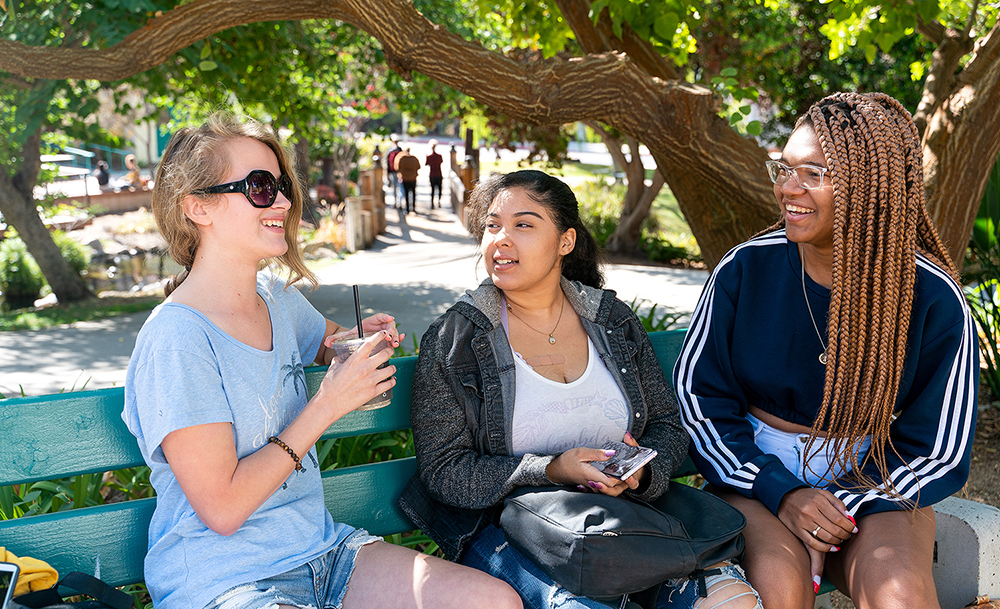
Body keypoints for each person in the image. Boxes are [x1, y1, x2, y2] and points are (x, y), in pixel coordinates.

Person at [122, 114, 522, 609]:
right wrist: (330, 403)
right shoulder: (177, 339)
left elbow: (331, 343)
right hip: (225, 579)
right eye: (261, 186)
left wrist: (361, 342)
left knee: (492, 602)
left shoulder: (273, 297)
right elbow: (222, 509)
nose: (286, 202)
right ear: (198, 206)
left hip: (322, 553)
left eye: (282, 186)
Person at [399, 170, 761, 609]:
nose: (501, 239)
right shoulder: (458, 339)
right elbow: (444, 470)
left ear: (566, 242)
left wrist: (641, 473)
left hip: (625, 525)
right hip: (513, 531)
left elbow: (666, 425)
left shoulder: (610, 320)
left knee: (730, 601)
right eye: (493, 225)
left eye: (524, 225)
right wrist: (550, 470)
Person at [673, 92, 978, 609]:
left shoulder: (929, 295)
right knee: (780, 592)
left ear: (868, 188)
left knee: (900, 598)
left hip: (874, 477)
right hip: (755, 473)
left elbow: (937, 445)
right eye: (784, 168)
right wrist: (783, 491)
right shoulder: (747, 269)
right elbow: (698, 399)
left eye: (813, 174)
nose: (787, 189)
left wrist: (839, 507)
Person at [395, 148, 420, 214]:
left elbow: (397, 168)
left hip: (405, 178)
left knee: (406, 194)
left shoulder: (402, 159)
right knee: (413, 193)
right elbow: (418, 166)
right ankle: (413, 207)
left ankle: (407, 208)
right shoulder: (414, 159)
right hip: (413, 178)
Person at [425, 140, 444, 209]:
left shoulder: (429, 157)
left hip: (432, 175)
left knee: (433, 189)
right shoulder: (439, 156)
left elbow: (426, 164)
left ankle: (432, 203)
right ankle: (438, 201)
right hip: (438, 174)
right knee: (439, 189)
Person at [385, 137, 403, 209]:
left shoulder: (392, 150)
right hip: (395, 171)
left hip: (396, 171)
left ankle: (398, 202)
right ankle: (397, 202)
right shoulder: (394, 150)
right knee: (397, 187)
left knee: (397, 187)